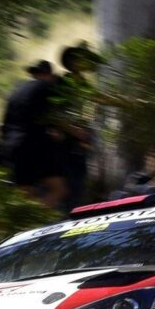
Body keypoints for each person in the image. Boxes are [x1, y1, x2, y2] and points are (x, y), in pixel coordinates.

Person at [2, 59, 65, 207]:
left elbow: (5, 125)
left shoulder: (16, 90)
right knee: (59, 190)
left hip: (12, 147)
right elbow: (55, 118)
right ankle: (32, 223)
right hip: (33, 146)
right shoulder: (46, 87)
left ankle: (31, 219)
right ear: (49, 75)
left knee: (26, 194)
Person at [54, 44, 99, 212]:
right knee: (69, 191)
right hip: (65, 147)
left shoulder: (82, 83)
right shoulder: (63, 83)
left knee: (78, 190)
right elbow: (56, 115)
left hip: (78, 146)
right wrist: (76, 132)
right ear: (73, 62)